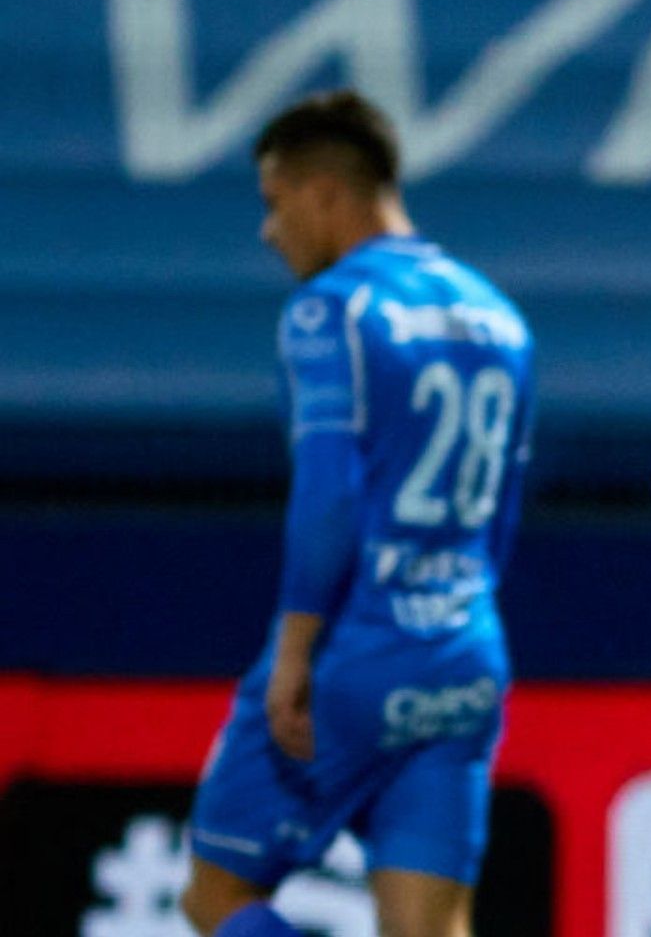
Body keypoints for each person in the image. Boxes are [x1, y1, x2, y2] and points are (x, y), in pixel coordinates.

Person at [179, 92, 536, 937]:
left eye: (274, 204)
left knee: (217, 896)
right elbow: (503, 519)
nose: (270, 232)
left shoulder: (329, 310)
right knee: (433, 927)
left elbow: (330, 493)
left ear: (323, 192)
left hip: (353, 654)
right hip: (463, 651)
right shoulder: (500, 317)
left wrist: (295, 649)